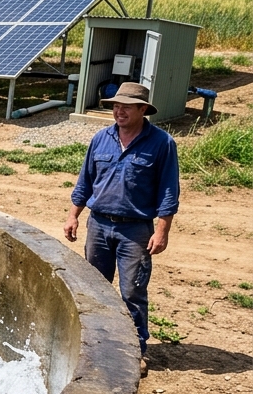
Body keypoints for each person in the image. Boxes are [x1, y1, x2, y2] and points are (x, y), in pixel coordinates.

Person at [64, 82, 179, 376]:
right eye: (116, 105)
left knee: (133, 292)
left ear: (143, 110)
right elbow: (85, 182)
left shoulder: (162, 144)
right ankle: (93, 345)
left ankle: (136, 351)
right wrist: (73, 215)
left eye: (126, 106)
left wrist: (162, 229)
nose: (119, 110)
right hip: (98, 225)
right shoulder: (100, 139)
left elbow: (168, 190)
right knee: (94, 289)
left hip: (136, 230)